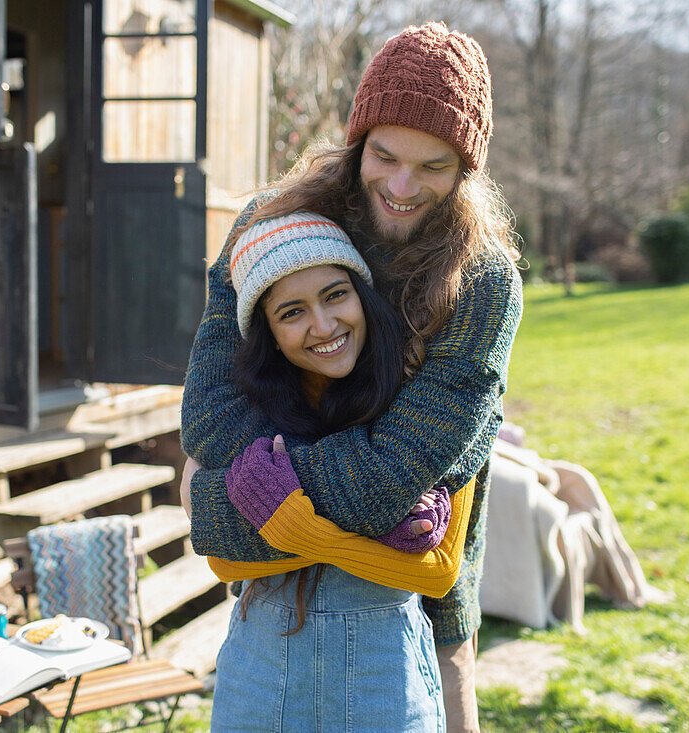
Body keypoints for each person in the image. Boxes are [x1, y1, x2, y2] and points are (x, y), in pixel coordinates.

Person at [181, 22, 523, 731]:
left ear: (466, 172)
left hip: (425, 566)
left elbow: (392, 473)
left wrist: (224, 502)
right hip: (283, 588)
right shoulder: (271, 224)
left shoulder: (484, 278)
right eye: (385, 155)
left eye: (433, 166)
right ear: (356, 140)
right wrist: (241, 493)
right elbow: (212, 412)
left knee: (444, 667)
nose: (402, 187)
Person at [201, 211, 477, 730]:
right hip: (262, 673)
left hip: (384, 676)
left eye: (335, 295)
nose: (323, 326)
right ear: (269, 333)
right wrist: (375, 532)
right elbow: (224, 559)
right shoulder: (244, 419)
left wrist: (295, 524)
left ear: (362, 295)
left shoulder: (423, 405)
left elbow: (438, 572)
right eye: (291, 312)